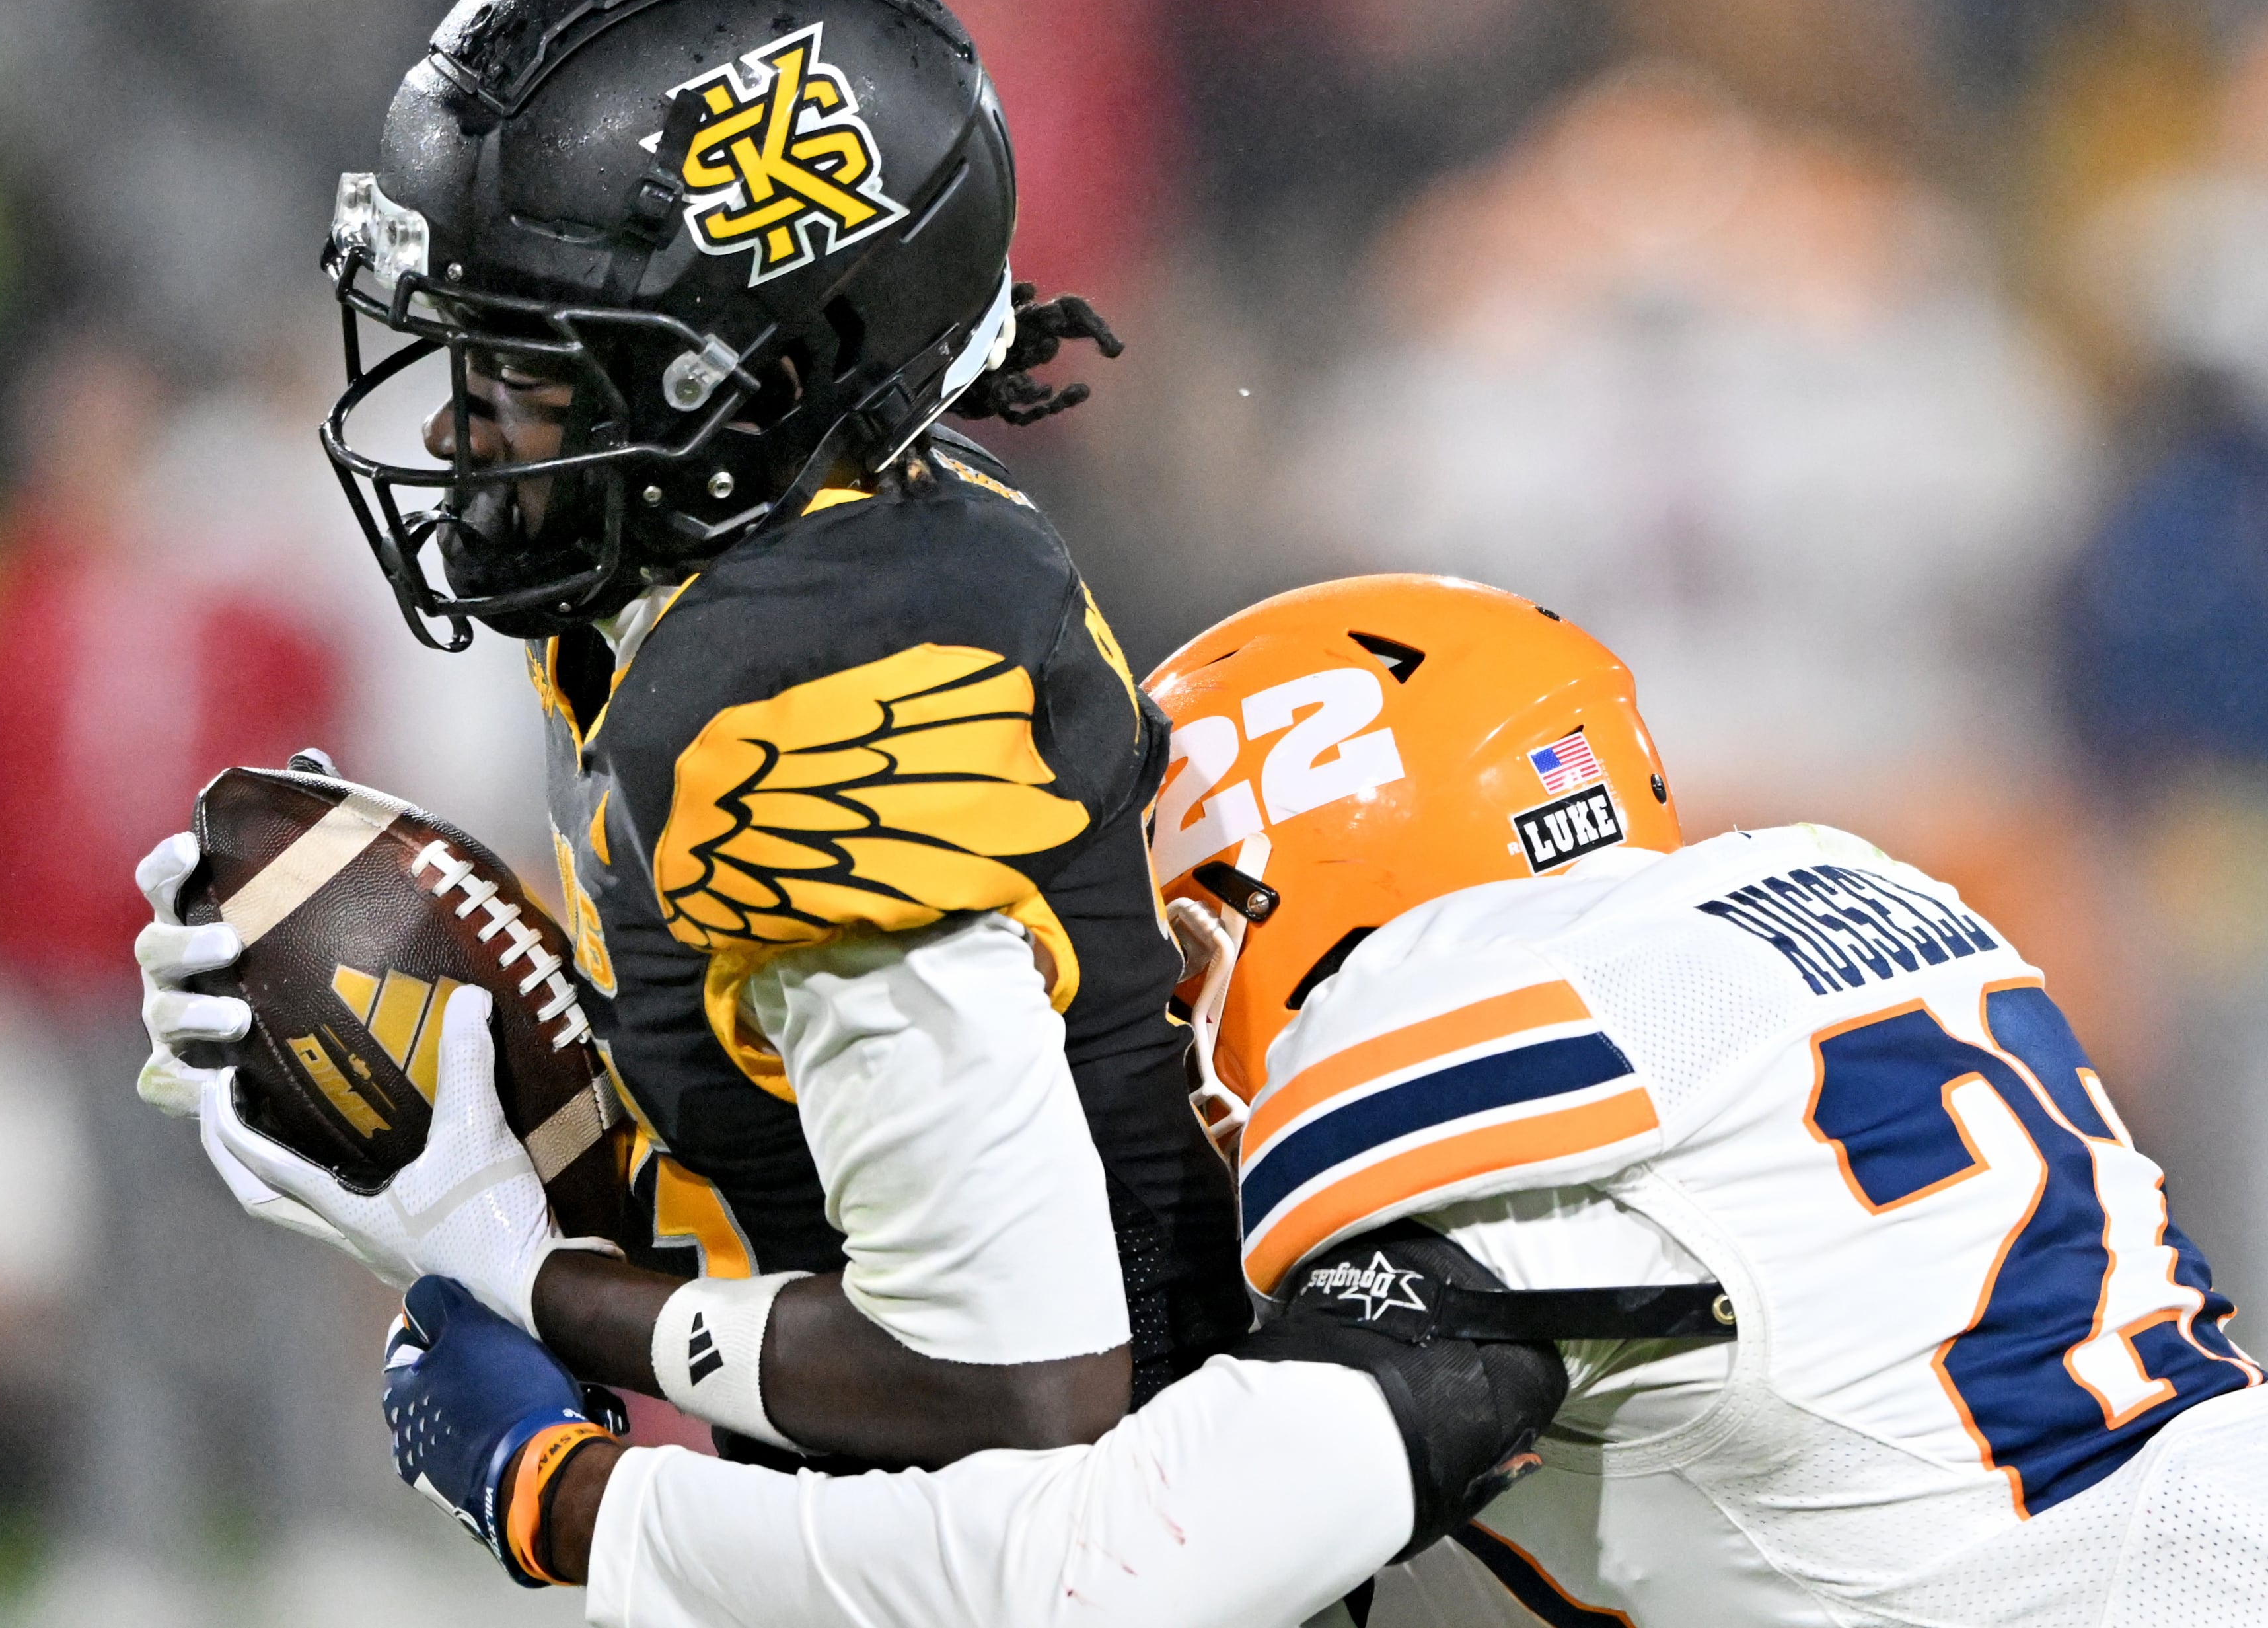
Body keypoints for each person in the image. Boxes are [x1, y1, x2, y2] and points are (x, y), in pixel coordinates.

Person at [378, 574, 2263, 1626]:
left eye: (1177, 948)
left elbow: (1088, 1593)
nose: (1155, 1024)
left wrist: (570, 1491)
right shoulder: (1836, 916)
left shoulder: (1507, 1068)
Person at [130, 0, 1245, 1534]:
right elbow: (823, 1173)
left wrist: (535, 1288)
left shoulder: (806, 689)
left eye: (519, 373)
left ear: (761, 387)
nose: (455, 431)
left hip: (1079, 1555)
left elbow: (1027, 1386)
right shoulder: (783, 570)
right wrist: (511, 1066)